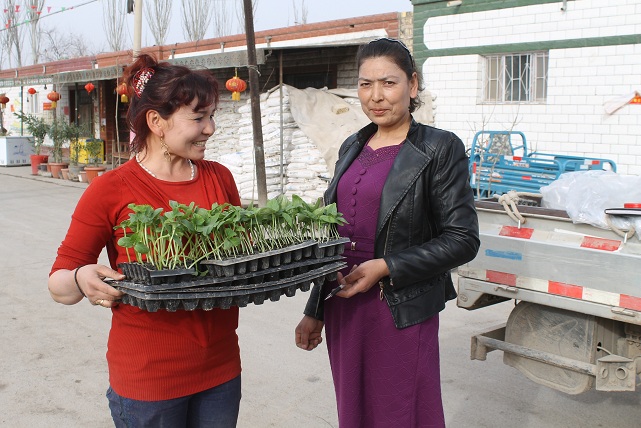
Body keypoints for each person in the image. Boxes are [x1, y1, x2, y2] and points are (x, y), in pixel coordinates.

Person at [48, 54, 243, 427]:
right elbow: (58, 284)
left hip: (220, 370)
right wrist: (80, 277)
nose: (210, 128)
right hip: (149, 381)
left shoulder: (219, 177)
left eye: (211, 116)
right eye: (198, 118)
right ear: (156, 122)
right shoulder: (111, 188)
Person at [295, 38, 480, 427]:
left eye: (388, 83)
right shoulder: (352, 146)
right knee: (355, 410)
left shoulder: (439, 148)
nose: (376, 96)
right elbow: (333, 238)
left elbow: (462, 239)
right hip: (344, 303)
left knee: (401, 412)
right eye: (366, 84)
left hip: (399, 304)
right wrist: (315, 309)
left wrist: (387, 266)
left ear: (412, 85)